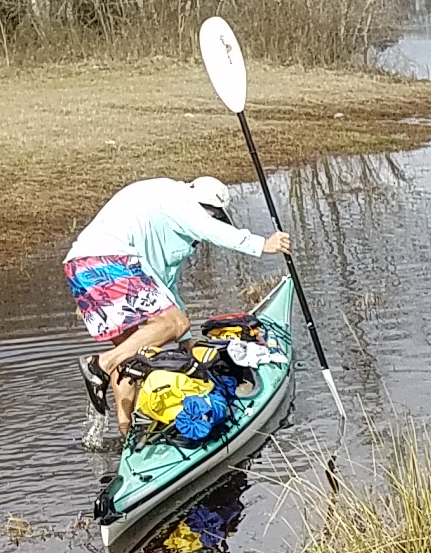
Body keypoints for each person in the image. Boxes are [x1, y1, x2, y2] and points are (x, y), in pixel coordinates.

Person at [66, 175, 288, 440]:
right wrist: (262, 244)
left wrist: (184, 342)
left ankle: (126, 435)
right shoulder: (181, 200)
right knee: (174, 324)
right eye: (214, 216)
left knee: (131, 354)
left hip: (81, 265)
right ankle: (98, 365)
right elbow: (209, 229)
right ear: (208, 209)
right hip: (109, 260)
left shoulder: (158, 215)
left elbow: (164, 287)